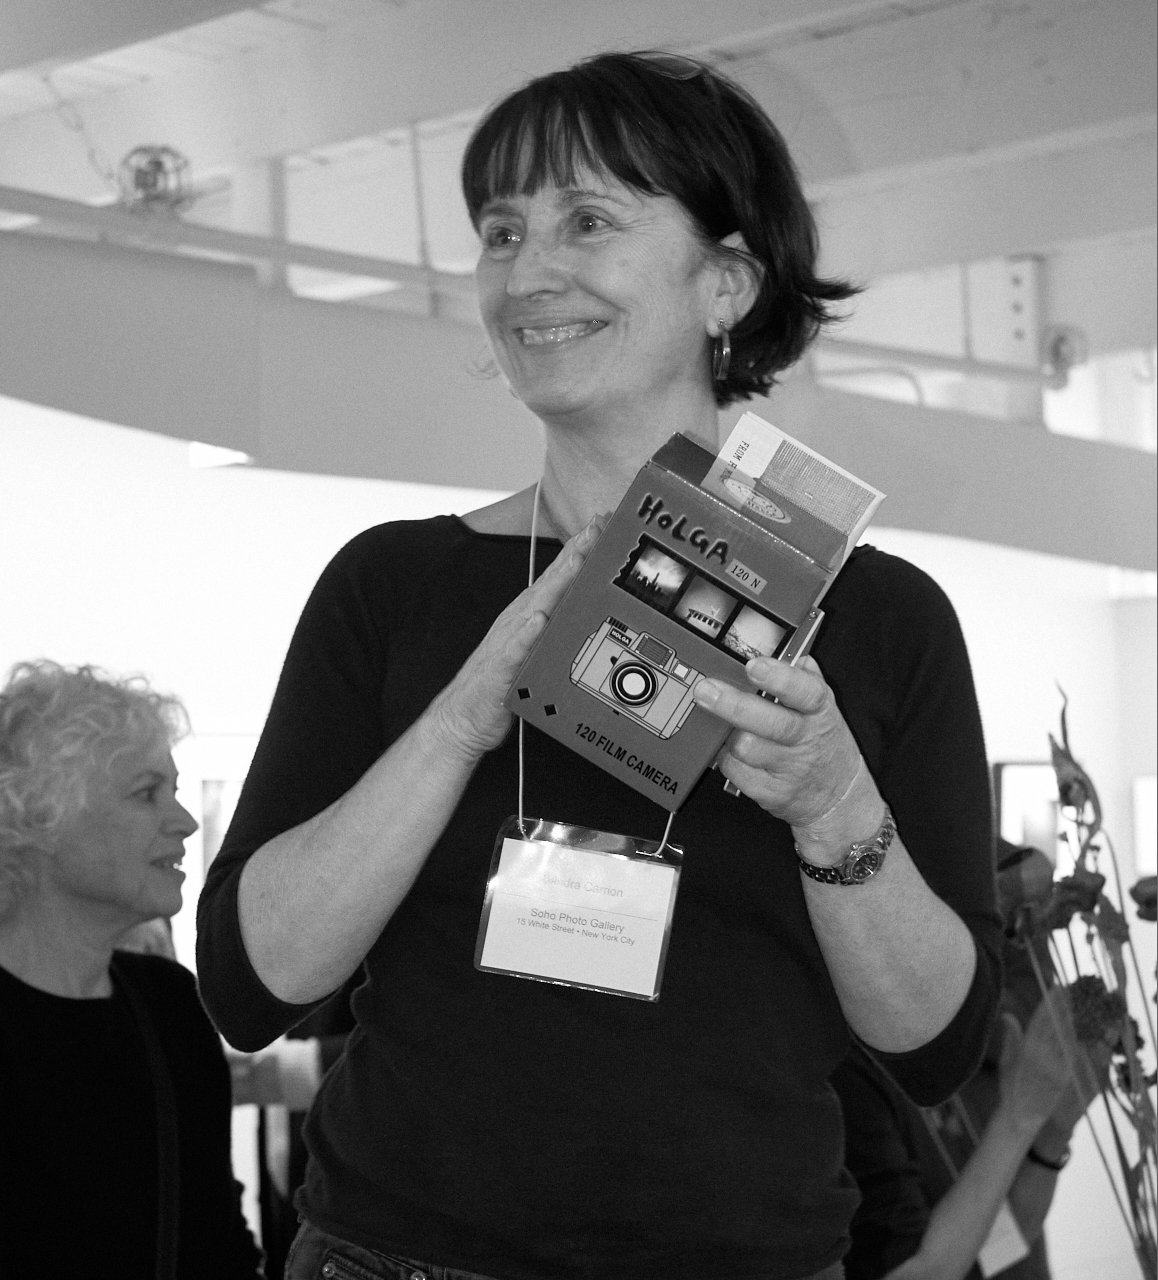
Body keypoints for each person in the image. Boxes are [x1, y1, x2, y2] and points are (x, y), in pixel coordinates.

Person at [197, 52, 1001, 1280]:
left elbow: (935, 1044)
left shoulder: (880, 620)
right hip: (397, 1253)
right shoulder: (396, 585)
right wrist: (458, 720)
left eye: (587, 221)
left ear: (726, 282)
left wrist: (836, 805)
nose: (528, 272)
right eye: (501, 230)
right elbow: (251, 982)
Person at [0, 660, 263, 1278]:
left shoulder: (170, 1006)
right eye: (148, 792)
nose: (186, 822)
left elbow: (216, 1245)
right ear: (40, 814)